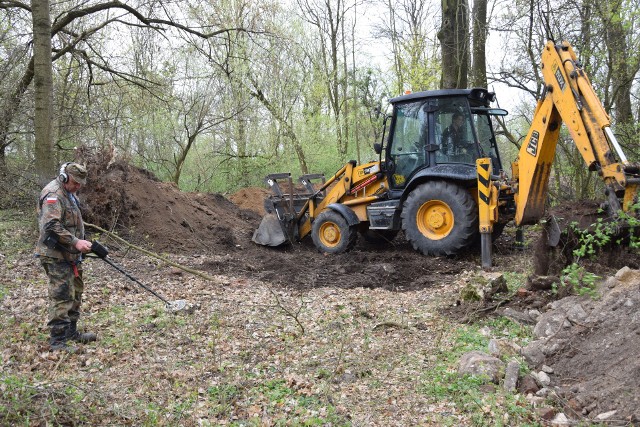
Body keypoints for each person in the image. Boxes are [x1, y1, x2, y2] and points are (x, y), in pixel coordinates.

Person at [36, 162, 96, 352]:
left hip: (70, 254)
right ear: (64, 177)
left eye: (81, 183)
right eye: (75, 182)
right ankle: (58, 342)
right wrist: (75, 241)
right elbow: (51, 226)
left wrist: (80, 243)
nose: (78, 186)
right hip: (55, 255)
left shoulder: (69, 194)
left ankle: (71, 332)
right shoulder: (53, 195)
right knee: (61, 295)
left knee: (75, 292)